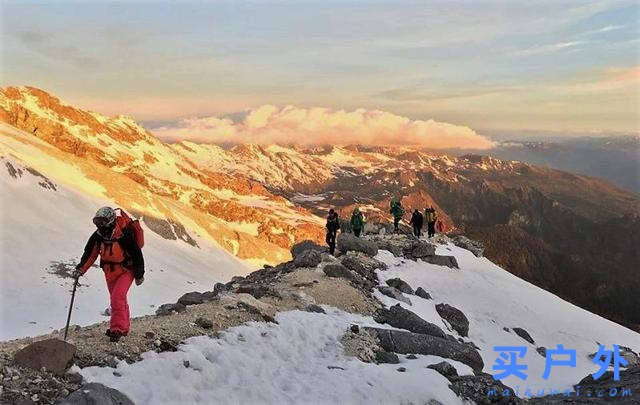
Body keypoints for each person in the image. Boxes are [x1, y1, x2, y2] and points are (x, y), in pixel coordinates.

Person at [73, 207, 145, 342]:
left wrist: (139, 274)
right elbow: (90, 254)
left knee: (117, 298)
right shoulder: (98, 236)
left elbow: (136, 254)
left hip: (126, 270)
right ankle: (124, 327)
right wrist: (80, 269)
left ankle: (117, 329)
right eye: (97, 222)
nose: (99, 225)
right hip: (110, 272)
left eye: (102, 222)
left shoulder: (123, 234)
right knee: (118, 299)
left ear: (110, 221)